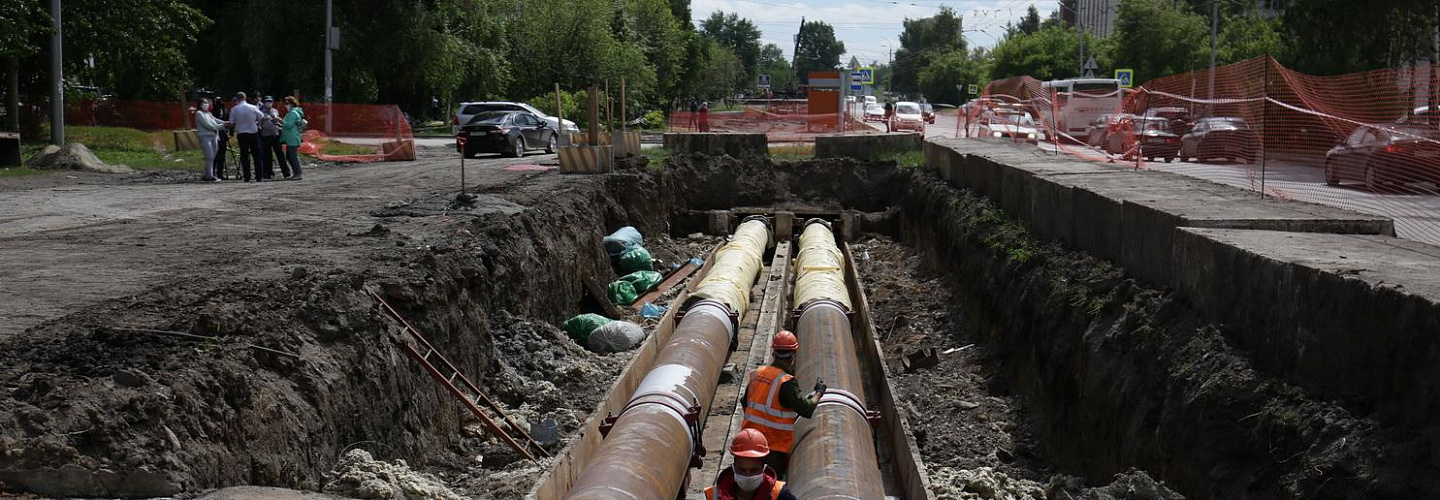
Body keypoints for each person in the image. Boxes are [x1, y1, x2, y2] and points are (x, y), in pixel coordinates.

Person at [740, 330, 823, 478]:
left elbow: (745, 402)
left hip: (748, 443)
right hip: (773, 449)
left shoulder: (757, 373)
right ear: (793, 355)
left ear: (774, 352)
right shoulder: (786, 382)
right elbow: (807, 409)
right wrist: (819, 392)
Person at [704, 429, 798, 500]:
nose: (748, 476)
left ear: (763, 469)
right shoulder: (714, 496)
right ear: (733, 468)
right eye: (742, 470)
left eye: (753, 470)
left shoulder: (780, 495)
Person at [229, 92, 265, 182]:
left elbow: (231, 123)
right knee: (256, 155)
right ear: (245, 98)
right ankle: (259, 176)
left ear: (237, 99)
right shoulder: (253, 107)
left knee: (244, 155)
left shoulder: (234, 109)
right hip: (253, 132)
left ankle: (247, 176)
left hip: (241, 133)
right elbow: (261, 116)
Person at [257, 96, 290, 179]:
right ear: (264, 103)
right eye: (267, 102)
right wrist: (263, 121)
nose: (269, 103)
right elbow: (258, 124)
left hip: (275, 134)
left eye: (270, 102)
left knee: (280, 154)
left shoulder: (275, 111)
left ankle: (286, 172)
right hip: (265, 136)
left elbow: (278, 122)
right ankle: (267, 173)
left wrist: (277, 121)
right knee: (267, 156)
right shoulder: (260, 112)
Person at [194, 98, 225, 182]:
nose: (207, 104)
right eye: (205, 103)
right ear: (200, 104)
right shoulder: (199, 113)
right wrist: (222, 126)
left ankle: (207, 174)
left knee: (212, 156)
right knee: (209, 156)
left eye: (207, 103)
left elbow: (215, 120)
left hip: (213, 136)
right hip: (204, 136)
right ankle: (210, 175)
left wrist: (226, 123)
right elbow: (207, 125)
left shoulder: (208, 113)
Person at [280, 96, 305, 181]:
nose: (286, 105)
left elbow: (289, 125)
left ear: (292, 103)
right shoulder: (292, 112)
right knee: (289, 156)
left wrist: (279, 120)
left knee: (293, 156)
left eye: (287, 103)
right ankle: (296, 173)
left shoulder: (293, 113)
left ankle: (298, 174)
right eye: (285, 103)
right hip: (291, 137)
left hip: (292, 137)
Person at [212, 101, 231, 180]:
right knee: (215, 154)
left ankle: (220, 172)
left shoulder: (226, 110)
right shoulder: (212, 112)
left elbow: (228, 119)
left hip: (223, 134)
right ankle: (212, 172)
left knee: (222, 153)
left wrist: (230, 133)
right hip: (215, 133)